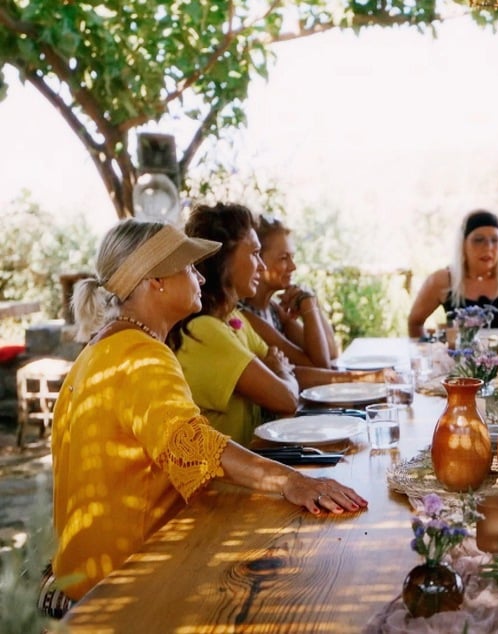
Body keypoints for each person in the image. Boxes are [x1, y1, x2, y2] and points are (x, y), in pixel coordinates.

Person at [49, 220, 367, 610]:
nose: (200, 276)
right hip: (123, 591)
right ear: (155, 281)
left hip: (86, 586)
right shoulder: (140, 355)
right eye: (188, 266)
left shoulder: (98, 353)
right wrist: (292, 481)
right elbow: (193, 443)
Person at [171, 203, 375, 446]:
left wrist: (366, 379)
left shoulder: (232, 318)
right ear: (224, 259)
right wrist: (279, 372)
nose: (262, 265)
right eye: (254, 253)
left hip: (258, 460)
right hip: (228, 477)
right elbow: (286, 398)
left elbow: (294, 371)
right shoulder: (204, 331)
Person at [407, 209, 498, 338]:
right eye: (479, 240)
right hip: (459, 362)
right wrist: (428, 352)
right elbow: (415, 323)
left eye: (495, 240)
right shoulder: (442, 280)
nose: (488, 247)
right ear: (463, 244)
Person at [240, 214, 337, 368]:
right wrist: (308, 307)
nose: (293, 267)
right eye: (284, 258)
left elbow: (331, 351)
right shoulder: (245, 315)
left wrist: (311, 302)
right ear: (259, 260)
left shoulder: (274, 310)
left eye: (292, 257)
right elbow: (320, 365)